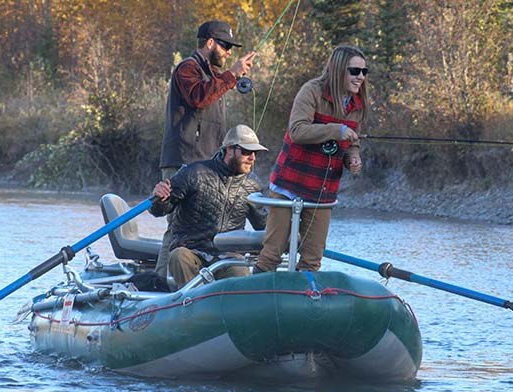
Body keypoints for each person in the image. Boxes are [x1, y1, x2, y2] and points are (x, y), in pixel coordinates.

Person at [156, 20, 257, 280]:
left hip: (206, 163)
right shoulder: (186, 68)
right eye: (225, 46)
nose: (229, 52)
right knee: (177, 225)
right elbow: (199, 97)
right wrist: (232, 75)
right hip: (182, 159)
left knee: (201, 226)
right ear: (210, 43)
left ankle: (203, 282)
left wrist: (229, 77)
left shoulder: (214, 76)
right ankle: (162, 283)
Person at [254, 45, 367, 273]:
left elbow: (352, 142)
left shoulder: (358, 104)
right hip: (289, 183)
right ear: (338, 69)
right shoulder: (311, 91)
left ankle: (301, 301)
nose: (361, 78)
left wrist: (352, 159)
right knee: (271, 255)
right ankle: (254, 297)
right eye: (355, 71)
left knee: (312, 260)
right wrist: (336, 129)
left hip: (323, 191)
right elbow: (297, 131)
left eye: (365, 72)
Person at [151, 125, 268, 288]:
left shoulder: (253, 185)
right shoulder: (194, 172)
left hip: (229, 256)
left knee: (240, 272)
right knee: (178, 256)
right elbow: (158, 211)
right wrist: (159, 198)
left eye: (256, 153)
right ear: (229, 150)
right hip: (190, 251)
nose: (253, 158)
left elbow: (264, 226)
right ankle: (191, 304)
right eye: (247, 152)